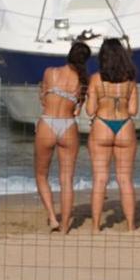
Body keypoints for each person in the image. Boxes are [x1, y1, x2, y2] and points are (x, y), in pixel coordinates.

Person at [84, 37, 139, 232]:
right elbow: (133, 110)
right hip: (124, 125)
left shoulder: (96, 79)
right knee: (125, 179)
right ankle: (131, 226)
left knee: (100, 178)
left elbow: (90, 110)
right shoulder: (130, 80)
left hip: (102, 125)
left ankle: (96, 225)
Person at [34, 42, 87, 233]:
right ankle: (65, 226)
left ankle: (51, 216)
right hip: (68, 126)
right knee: (66, 180)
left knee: (41, 174)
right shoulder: (82, 82)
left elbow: (42, 98)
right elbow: (77, 110)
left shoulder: (50, 72)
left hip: (48, 123)